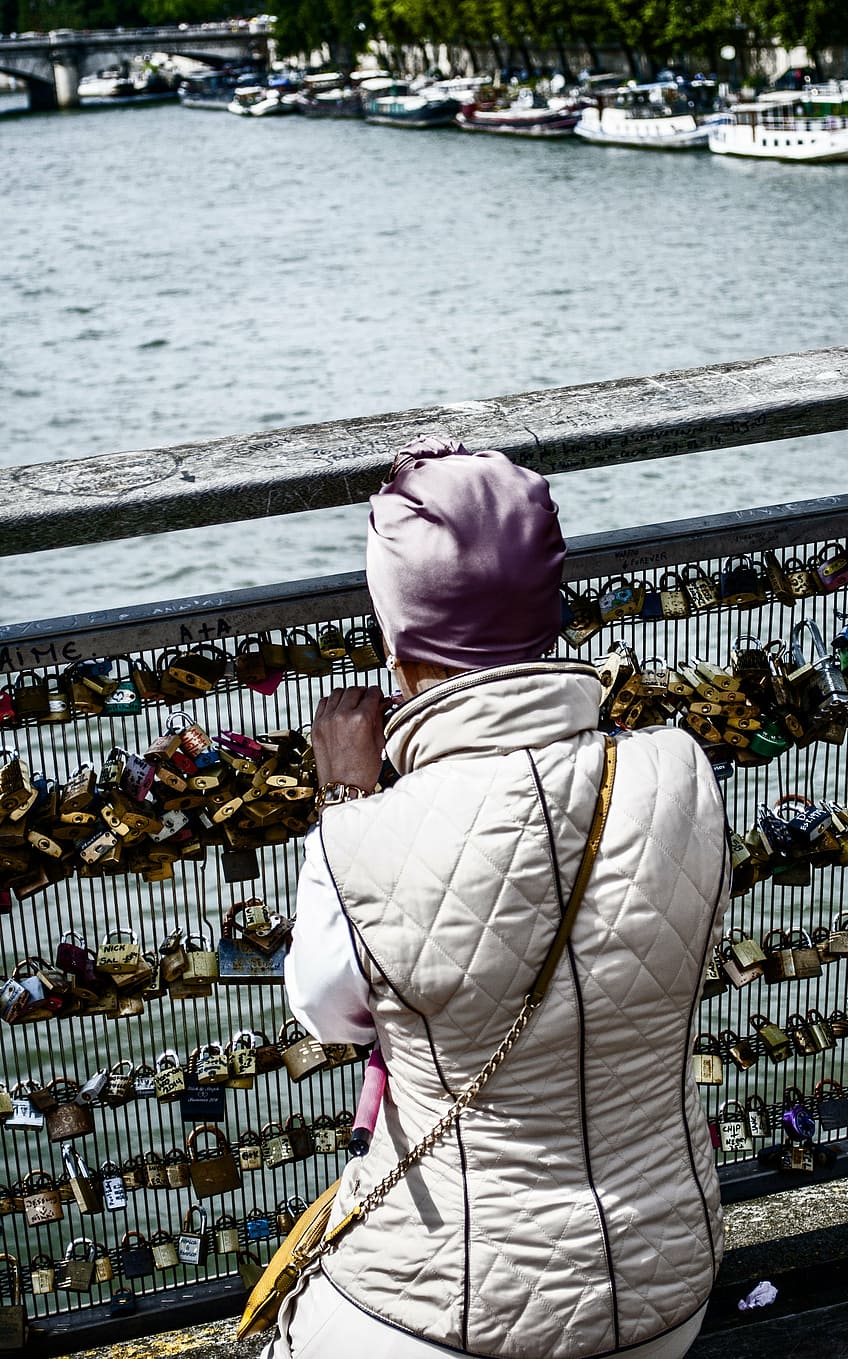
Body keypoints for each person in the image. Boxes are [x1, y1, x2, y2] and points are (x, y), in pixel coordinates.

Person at [266, 435, 730, 1359]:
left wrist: (344, 806)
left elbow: (328, 1011)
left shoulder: (363, 831)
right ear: (548, 614)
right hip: (665, 1291)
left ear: (397, 641)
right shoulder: (681, 770)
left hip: (447, 1314)